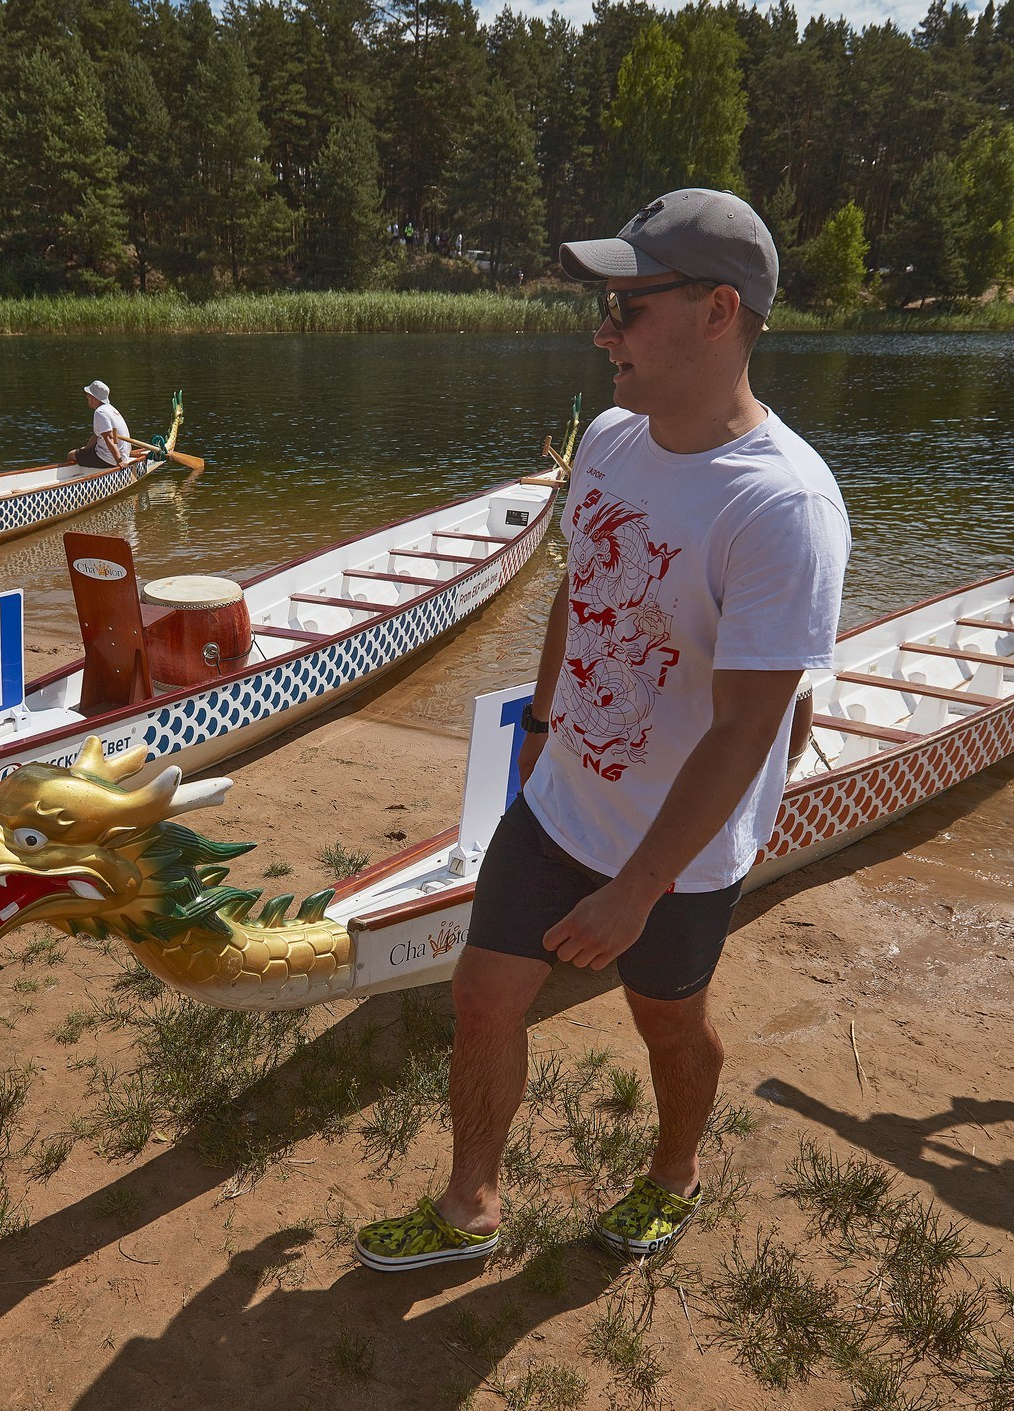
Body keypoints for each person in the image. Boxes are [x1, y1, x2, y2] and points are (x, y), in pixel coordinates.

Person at [354, 188, 849, 1273]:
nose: (603, 329)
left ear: (719, 312)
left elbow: (751, 727)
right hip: (564, 795)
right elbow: (582, 590)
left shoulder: (781, 507)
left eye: (628, 305)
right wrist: (539, 727)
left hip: (678, 852)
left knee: (666, 1022)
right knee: (484, 996)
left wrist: (636, 890)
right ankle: (468, 1207)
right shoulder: (614, 442)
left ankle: (676, 1173)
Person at [69, 380, 131, 469]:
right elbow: (99, 435)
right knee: (82, 451)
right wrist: (85, 449)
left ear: (95, 399)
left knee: (71, 455)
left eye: (89, 395)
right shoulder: (111, 409)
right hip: (124, 455)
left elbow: (109, 438)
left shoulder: (100, 412)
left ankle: (80, 476)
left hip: (109, 459)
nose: (87, 397)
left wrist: (119, 462)